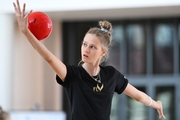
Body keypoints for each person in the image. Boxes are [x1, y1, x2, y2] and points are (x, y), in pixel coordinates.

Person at [13, 0, 166, 119]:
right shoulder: (72, 74)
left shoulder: (111, 75)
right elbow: (49, 57)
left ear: (103, 52)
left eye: (92, 47)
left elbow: (138, 96)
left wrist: (156, 104)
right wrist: (26, 32)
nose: (86, 49)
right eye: (84, 44)